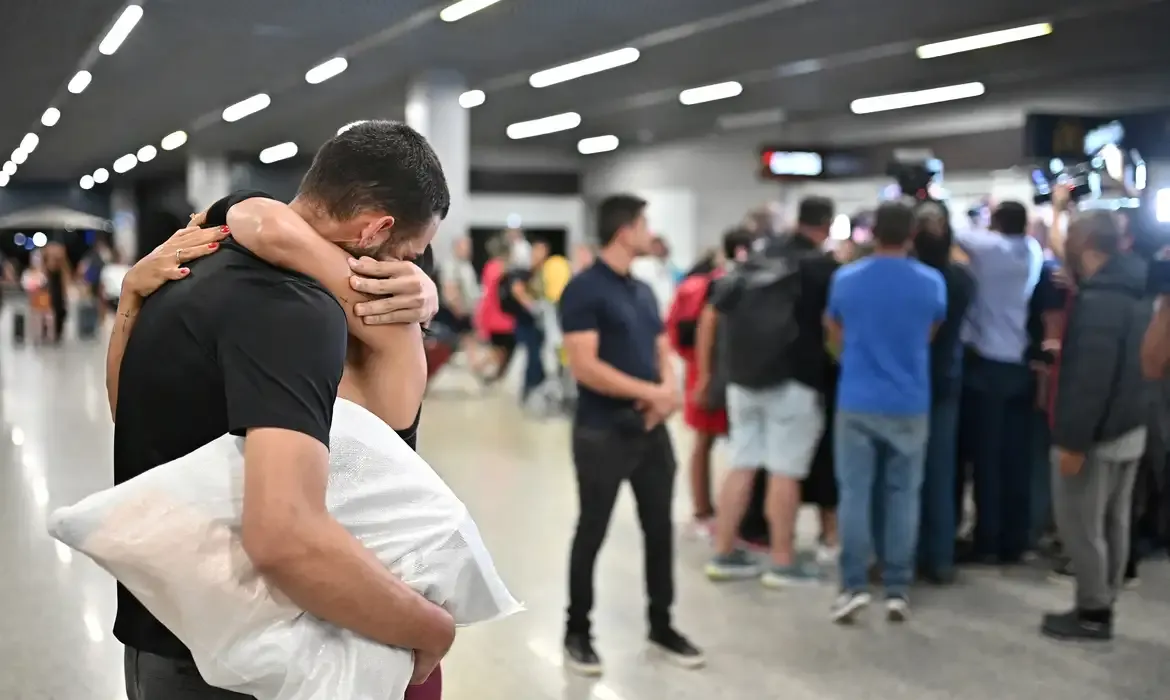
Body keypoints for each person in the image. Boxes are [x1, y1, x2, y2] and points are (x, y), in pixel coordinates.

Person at [107, 120, 453, 700]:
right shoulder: (309, 312)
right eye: (412, 255)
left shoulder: (181, 266)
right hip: (261, 648)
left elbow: (131, 417)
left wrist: (129, 301)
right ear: (378, 230)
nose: (411, 272)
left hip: (159, 634)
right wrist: (430, 628)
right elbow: (286, 536)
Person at [559, 194, 702, 675]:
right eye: (644, 224)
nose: (650, 233)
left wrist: (668, 390)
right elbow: (585, 366)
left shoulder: (642, 291)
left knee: (659, 529)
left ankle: (662, 623)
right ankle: (577, 630)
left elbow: (661, 347)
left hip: (650, 432)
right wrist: (652, 392)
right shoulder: (584, 290)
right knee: (592, 530)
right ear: (625, 231)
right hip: (603, 432)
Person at [705, 196, 838, 586]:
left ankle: (724, 552)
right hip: (793, 380)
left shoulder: (757, 257)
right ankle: (782, 561)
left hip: (743, 377)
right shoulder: (821, 267)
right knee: (785, 471)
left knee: (742, 462)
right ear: (826, 226)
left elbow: (716, 306)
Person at [825, 200, 945, 624]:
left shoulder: (846, 279)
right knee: (903, 495)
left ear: (873, 232)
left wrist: (856, 359)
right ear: (913, 234)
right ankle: (897, 588)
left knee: (855, 493)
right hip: (910, 400)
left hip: (857, 397)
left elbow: (834, 333)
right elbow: (930, 333)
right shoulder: (932, 283)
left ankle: (854, 584)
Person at [1041, 211, 1152, 641]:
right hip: (1132, 423)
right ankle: (1106, 598)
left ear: (1087, 242)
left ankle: (1092, 610)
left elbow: (1090, 377)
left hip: (1096, 432)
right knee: (1114, 520)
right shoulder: (1137, 288)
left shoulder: (1098, 302)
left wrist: (1072, 440)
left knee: (1081, 525)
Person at [956, 201, 1044, 565]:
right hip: (1018, 365)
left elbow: (955, 230)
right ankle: (1015, 538)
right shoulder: (1033, 251)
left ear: (994, 223)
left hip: (988, 366)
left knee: (987, 461)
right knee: (1015, 459)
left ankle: (987, 540)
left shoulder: (991, 249)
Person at [910, 201, 976, 584]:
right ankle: (939, 557)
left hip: (907, 384)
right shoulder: (962, 280)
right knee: (941, 472)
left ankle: (902, 551)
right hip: (947, 381)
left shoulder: (912, 281)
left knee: (903, 476)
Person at [672, 228, 752, 535]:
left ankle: (707, 509)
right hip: (717, 372)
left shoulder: (699, 285)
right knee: (710, 444)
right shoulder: (709, 286)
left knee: (706, 444)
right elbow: (689, 329)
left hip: (705, 370)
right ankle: (705, 509)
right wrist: (702, 374)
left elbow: (676, 331)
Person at [503, 239, 550, 404]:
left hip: (536, 323)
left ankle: (533, 388)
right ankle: (527, 391)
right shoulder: (524, 271)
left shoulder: (542, 271)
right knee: (529, 356)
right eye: (536, 251)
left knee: (536, 356)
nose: (539, 255)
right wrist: (533, 307)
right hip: (526, 321)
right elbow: (518, 291)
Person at [436, 236, 487, 375]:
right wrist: (458, 308)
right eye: (465, 247)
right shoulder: (451, 265)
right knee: (453, 341)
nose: (468, 250)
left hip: (466, 311)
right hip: (455, 312)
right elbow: (450, 289)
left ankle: (475, 365)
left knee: (469, 338)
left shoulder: (466, 265)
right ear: (457, 247)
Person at [475, 235, 517, 383]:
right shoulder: (500, 269)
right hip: (501, 318)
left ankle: (495, 375)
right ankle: (483, 368)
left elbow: (486, 295)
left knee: (502, 350)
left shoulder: (491, 267)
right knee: (501, 350)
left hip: (496, 317)